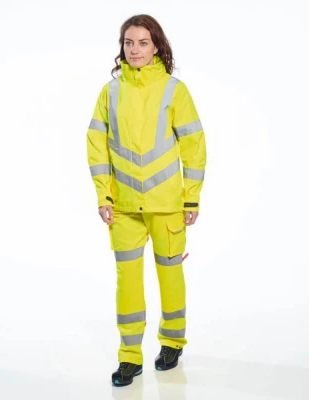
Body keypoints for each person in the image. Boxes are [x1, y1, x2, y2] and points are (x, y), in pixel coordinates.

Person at [86, 14, 206, 387]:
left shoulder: (174, 90)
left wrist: (191, 200)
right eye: (128, 42)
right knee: (128, 283)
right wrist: (103, 195)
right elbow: (96, 145)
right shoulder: (110, 92)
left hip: (167, 205)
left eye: (142, 43)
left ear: (157, 46)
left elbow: (194, 146)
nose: (134, 50)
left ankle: (172, 343)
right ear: (121, 46)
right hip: (123, 207)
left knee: (170, 277)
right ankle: (129, 357)